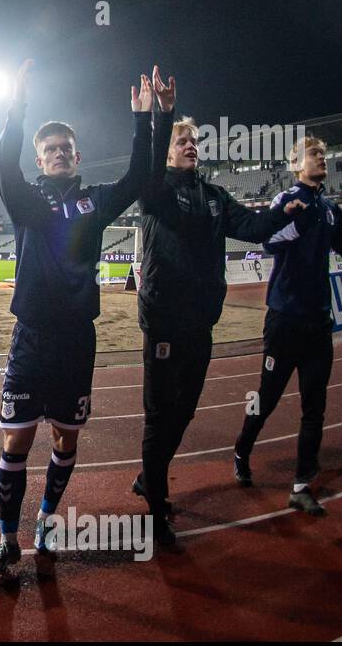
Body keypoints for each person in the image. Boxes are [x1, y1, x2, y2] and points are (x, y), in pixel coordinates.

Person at [0, 60, 160, 580]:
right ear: (40, 159)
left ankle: (46, 521)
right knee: (15, 441)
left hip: (77, 341)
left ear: (76, 157)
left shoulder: (95, 202)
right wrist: (15, 109)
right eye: (49, 149)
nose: (58, 154)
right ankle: (6, 539)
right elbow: (3, 167)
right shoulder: (27, 202)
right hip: (30, 340)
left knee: (66, 440)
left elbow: (139, 176)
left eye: (65, 148)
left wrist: (145, 119)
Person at [131, 111, 305, 543]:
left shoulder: (214, 196)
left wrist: (284, 208)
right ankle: (156, 508)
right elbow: (150, 177)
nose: (190, 146)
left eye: (194, 141)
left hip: (201, 322)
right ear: (166, 153)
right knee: (159, 415)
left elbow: (252, 226)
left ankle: (147, 479)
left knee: (185, 410)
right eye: (181, 141)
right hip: (164, 322)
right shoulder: (155, 191)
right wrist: (162, 116)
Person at [232, 137, 342, 516]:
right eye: (313, 153)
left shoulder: (329, 210)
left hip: (318, 323)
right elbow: (268, 243)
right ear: (296, 163)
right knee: (268, 397)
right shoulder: (285, 202)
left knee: (315, 406)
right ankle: (243, 448)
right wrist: (293, 223)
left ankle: (301, 485)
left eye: (324, 153)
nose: (322, 158)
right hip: (284, 320)